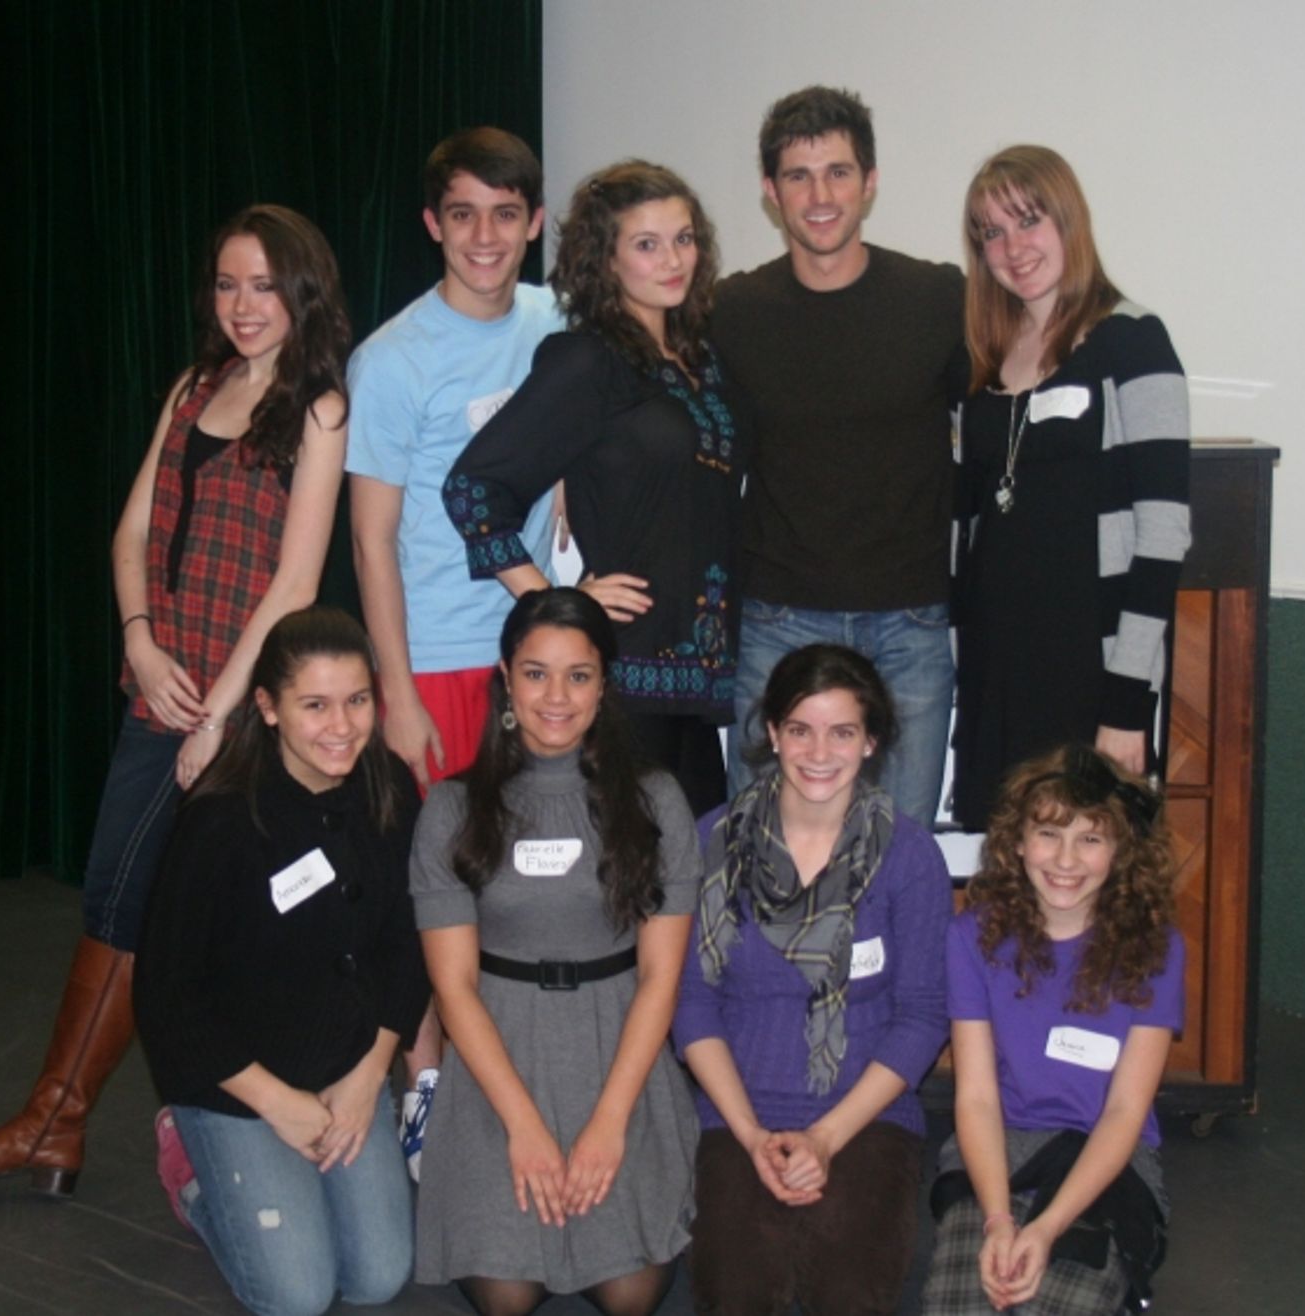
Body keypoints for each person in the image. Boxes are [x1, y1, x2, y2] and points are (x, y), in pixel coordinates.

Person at [0, 205, 349, 1195]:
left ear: (303, 292)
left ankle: (55, 1120)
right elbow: (129, 537)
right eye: (226, 284)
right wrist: (140, 643)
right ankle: (66, 1122)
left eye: (262, 286)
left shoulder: (319, 407)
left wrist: (217, 714)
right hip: (163, 683)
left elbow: (294, 582)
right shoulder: (193, 388)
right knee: (130, 898)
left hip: (236, 706)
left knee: (135, 898)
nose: (242, 306)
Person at [348, 127, 561, 1166]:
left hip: (544, 658)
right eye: (463, 213)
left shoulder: (558, 324)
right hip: (436, 658)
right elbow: (370, 537)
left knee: (528, 885)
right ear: (434, 224)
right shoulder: (391, 358)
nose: (485, 235)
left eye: (506, 213)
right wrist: (394, 689)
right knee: (430, 889)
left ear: (533, 223)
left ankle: (516, 1088)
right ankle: (424, 1090)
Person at [411, 588, 700, 1316]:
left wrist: (608, 1126)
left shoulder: (656, 799)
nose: (556, 697)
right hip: (497, 1056)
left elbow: (662, 976)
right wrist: (526, 1129)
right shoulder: (450, 808)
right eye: (536, 673)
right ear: (506, 678)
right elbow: (454, 990)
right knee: (506, 1296)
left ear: (605, 685)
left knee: (630, 1295)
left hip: (619, 1050)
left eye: (579, 675)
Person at [133, 607, 427, 1316]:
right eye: (315, 705)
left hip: (343, 1070)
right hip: (237, 1082)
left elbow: (407, 944)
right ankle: (192, 1171)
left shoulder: (389, 787)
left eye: (358, 701)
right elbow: (167, 997)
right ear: (266, 708)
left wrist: (366, 1078)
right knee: (297, 1294)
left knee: (379, 1275)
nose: (342, 726)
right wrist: (276, 1103)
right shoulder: (221, 819)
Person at [444, 160, 749, 818]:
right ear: (606, 261)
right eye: (647, 244)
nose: (673, 259)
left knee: (695, 879)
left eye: (685, 238)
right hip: (626, 676)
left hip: (704, 681)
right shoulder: (588, 361)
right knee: (631, 882)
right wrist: (556, 602)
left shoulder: (705, 362)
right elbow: (473, 489)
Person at [710, 85, 967, 828]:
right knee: (760, 846)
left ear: (870, 181)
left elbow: (1008, 399)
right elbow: (667, 407)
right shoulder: (733, 311)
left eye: (838, 172)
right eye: (798, 175)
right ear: (770, 192)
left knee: (899, 854)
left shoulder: (937, 299)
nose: (820, 195)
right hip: (778, 616)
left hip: (911, 621)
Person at [675, 643, 951, 1315]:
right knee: (738, 1293)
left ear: (871, 742)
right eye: (799, 729)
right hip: (735, 1113)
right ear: (771, 733)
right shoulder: (712, 842)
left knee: (847, 1293)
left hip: (867, 1114)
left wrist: (826, 1137)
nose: (818, 752)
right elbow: (692, 1004)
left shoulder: (910, 856)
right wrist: (749, 1134)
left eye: (842, 731)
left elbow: (922, 1015)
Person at [950, 145, 1191, 830]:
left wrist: (1125, 703)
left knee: (1091, 879)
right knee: (1007, 880)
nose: (1012, 247)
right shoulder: (985, 358)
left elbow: (1165, 532)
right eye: (991, 233)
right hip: (998, 670)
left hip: (1090, 670)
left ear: (1069, 222)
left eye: (1028, 221)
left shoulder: (1132, 341)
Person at [921, 744, 1184, 1315]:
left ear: (1121, 851)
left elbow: (1125, 1113)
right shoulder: (972, 938)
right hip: (998, 1151)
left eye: (1090, 839)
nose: (1066, 860)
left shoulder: (1157, 950)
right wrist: (998, 1220)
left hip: (1106, 1159)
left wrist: (1045, 1228)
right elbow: (977, 1098)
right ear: (1017, 841)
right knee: (961, 1304)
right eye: (1048, 834)